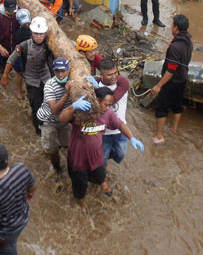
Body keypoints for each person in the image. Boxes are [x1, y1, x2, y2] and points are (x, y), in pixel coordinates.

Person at [61, 85, 144, 213]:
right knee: (80, 188)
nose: (108, 108)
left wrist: (132, 137)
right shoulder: (83, 111)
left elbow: (120, 125)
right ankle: (83, 206)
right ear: (97, 101)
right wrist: (73, 107)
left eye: (110, 105)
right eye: (106, 104)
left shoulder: (108, 114)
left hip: (97, 158)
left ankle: (105, 187)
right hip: (78, 160)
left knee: (102, 177)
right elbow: (62, 118)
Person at [3, 16, 54, 134]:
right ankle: (39, 131)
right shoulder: (24, 46)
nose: (39, 36)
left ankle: (49, 127)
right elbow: (11, 59)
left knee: (49, 104)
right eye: (36, 34)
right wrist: (5, 76)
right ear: (31, 32)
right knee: (36, 107)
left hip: (46, 79)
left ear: (45, 33)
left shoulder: (50, 45)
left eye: (41, 34)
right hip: (32, 81)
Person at [148, 14, 193, 143]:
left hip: (171, 82)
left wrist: (158, 86)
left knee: (161, 108)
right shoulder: (188, 41)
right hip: (182, 79)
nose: (171, 27)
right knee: (177, 105)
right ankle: (174, 130)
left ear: (176, 27)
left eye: (172, 24)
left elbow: (171, 70)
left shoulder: (175, 47)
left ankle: (159, 137)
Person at [37, 58, 74, 177]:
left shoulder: (73, 82)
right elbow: (54, 110)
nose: (60, 74)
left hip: (64, 120)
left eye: (63, 71)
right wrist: (67, 94)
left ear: (69, 70)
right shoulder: (49, 85)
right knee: (52, 150)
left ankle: (70, 167)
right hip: (48, 120)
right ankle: (57, 168)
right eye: (57, 71)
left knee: (68, 145)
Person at [98, 59, 131, 167]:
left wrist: (96, 87)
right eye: (109, 75)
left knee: (120, 154)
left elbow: (112, 100)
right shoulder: (94, 84)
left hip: (119, 129)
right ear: (101, 75)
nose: (114, 77)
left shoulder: (122, 83)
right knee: (102, 159)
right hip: (102, 132)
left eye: (115, 73)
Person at [0, 0, 20, 73]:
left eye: (13, 10)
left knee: (16, 69)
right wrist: (0, 48)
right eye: (9, 11)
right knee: (1, 67)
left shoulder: (18, 13)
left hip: (15, 47)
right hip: (2, 46)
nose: (11, 12)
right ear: (4, 7)